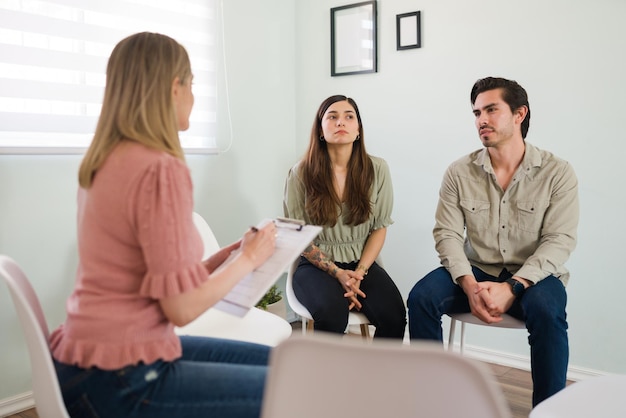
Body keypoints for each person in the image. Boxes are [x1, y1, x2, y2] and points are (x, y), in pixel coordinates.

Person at [48, 32, 277, 418]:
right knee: (297, 387)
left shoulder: (104, 162)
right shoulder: (160, 169)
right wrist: (249, 261)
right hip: (123, 378)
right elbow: (182, 309)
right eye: (192, 85)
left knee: (282, 364)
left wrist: (224, 257)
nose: (193, 96)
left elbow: (154, 281)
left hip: (85, 362)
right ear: (175, 87)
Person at [407, 77, 579, 406]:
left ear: (519, 114)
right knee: (421, 298)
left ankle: (550, 411)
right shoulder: (459, 171)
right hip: (475, 270)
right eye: (476, 113)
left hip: (534, 276)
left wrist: (512, 287)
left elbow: (559, 241)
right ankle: (431, 404)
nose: (481, 120)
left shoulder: (557, 172)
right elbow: (447, 234)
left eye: (491, 110)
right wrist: (470, 286)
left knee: (547, 309)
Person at [283, 94, 406, 339]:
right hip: (315, 265)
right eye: (332, 117)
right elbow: (299, 235)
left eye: (349, 117)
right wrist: (337, 273)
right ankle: (327, 377)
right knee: (332, 313)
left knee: (394, 315)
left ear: (358, 130)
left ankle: (380, 377)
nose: (341, 122)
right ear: (320, 129)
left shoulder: (377, 169)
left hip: (362, 263)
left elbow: (379, 228)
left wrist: (358, 273)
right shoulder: (300, 173)